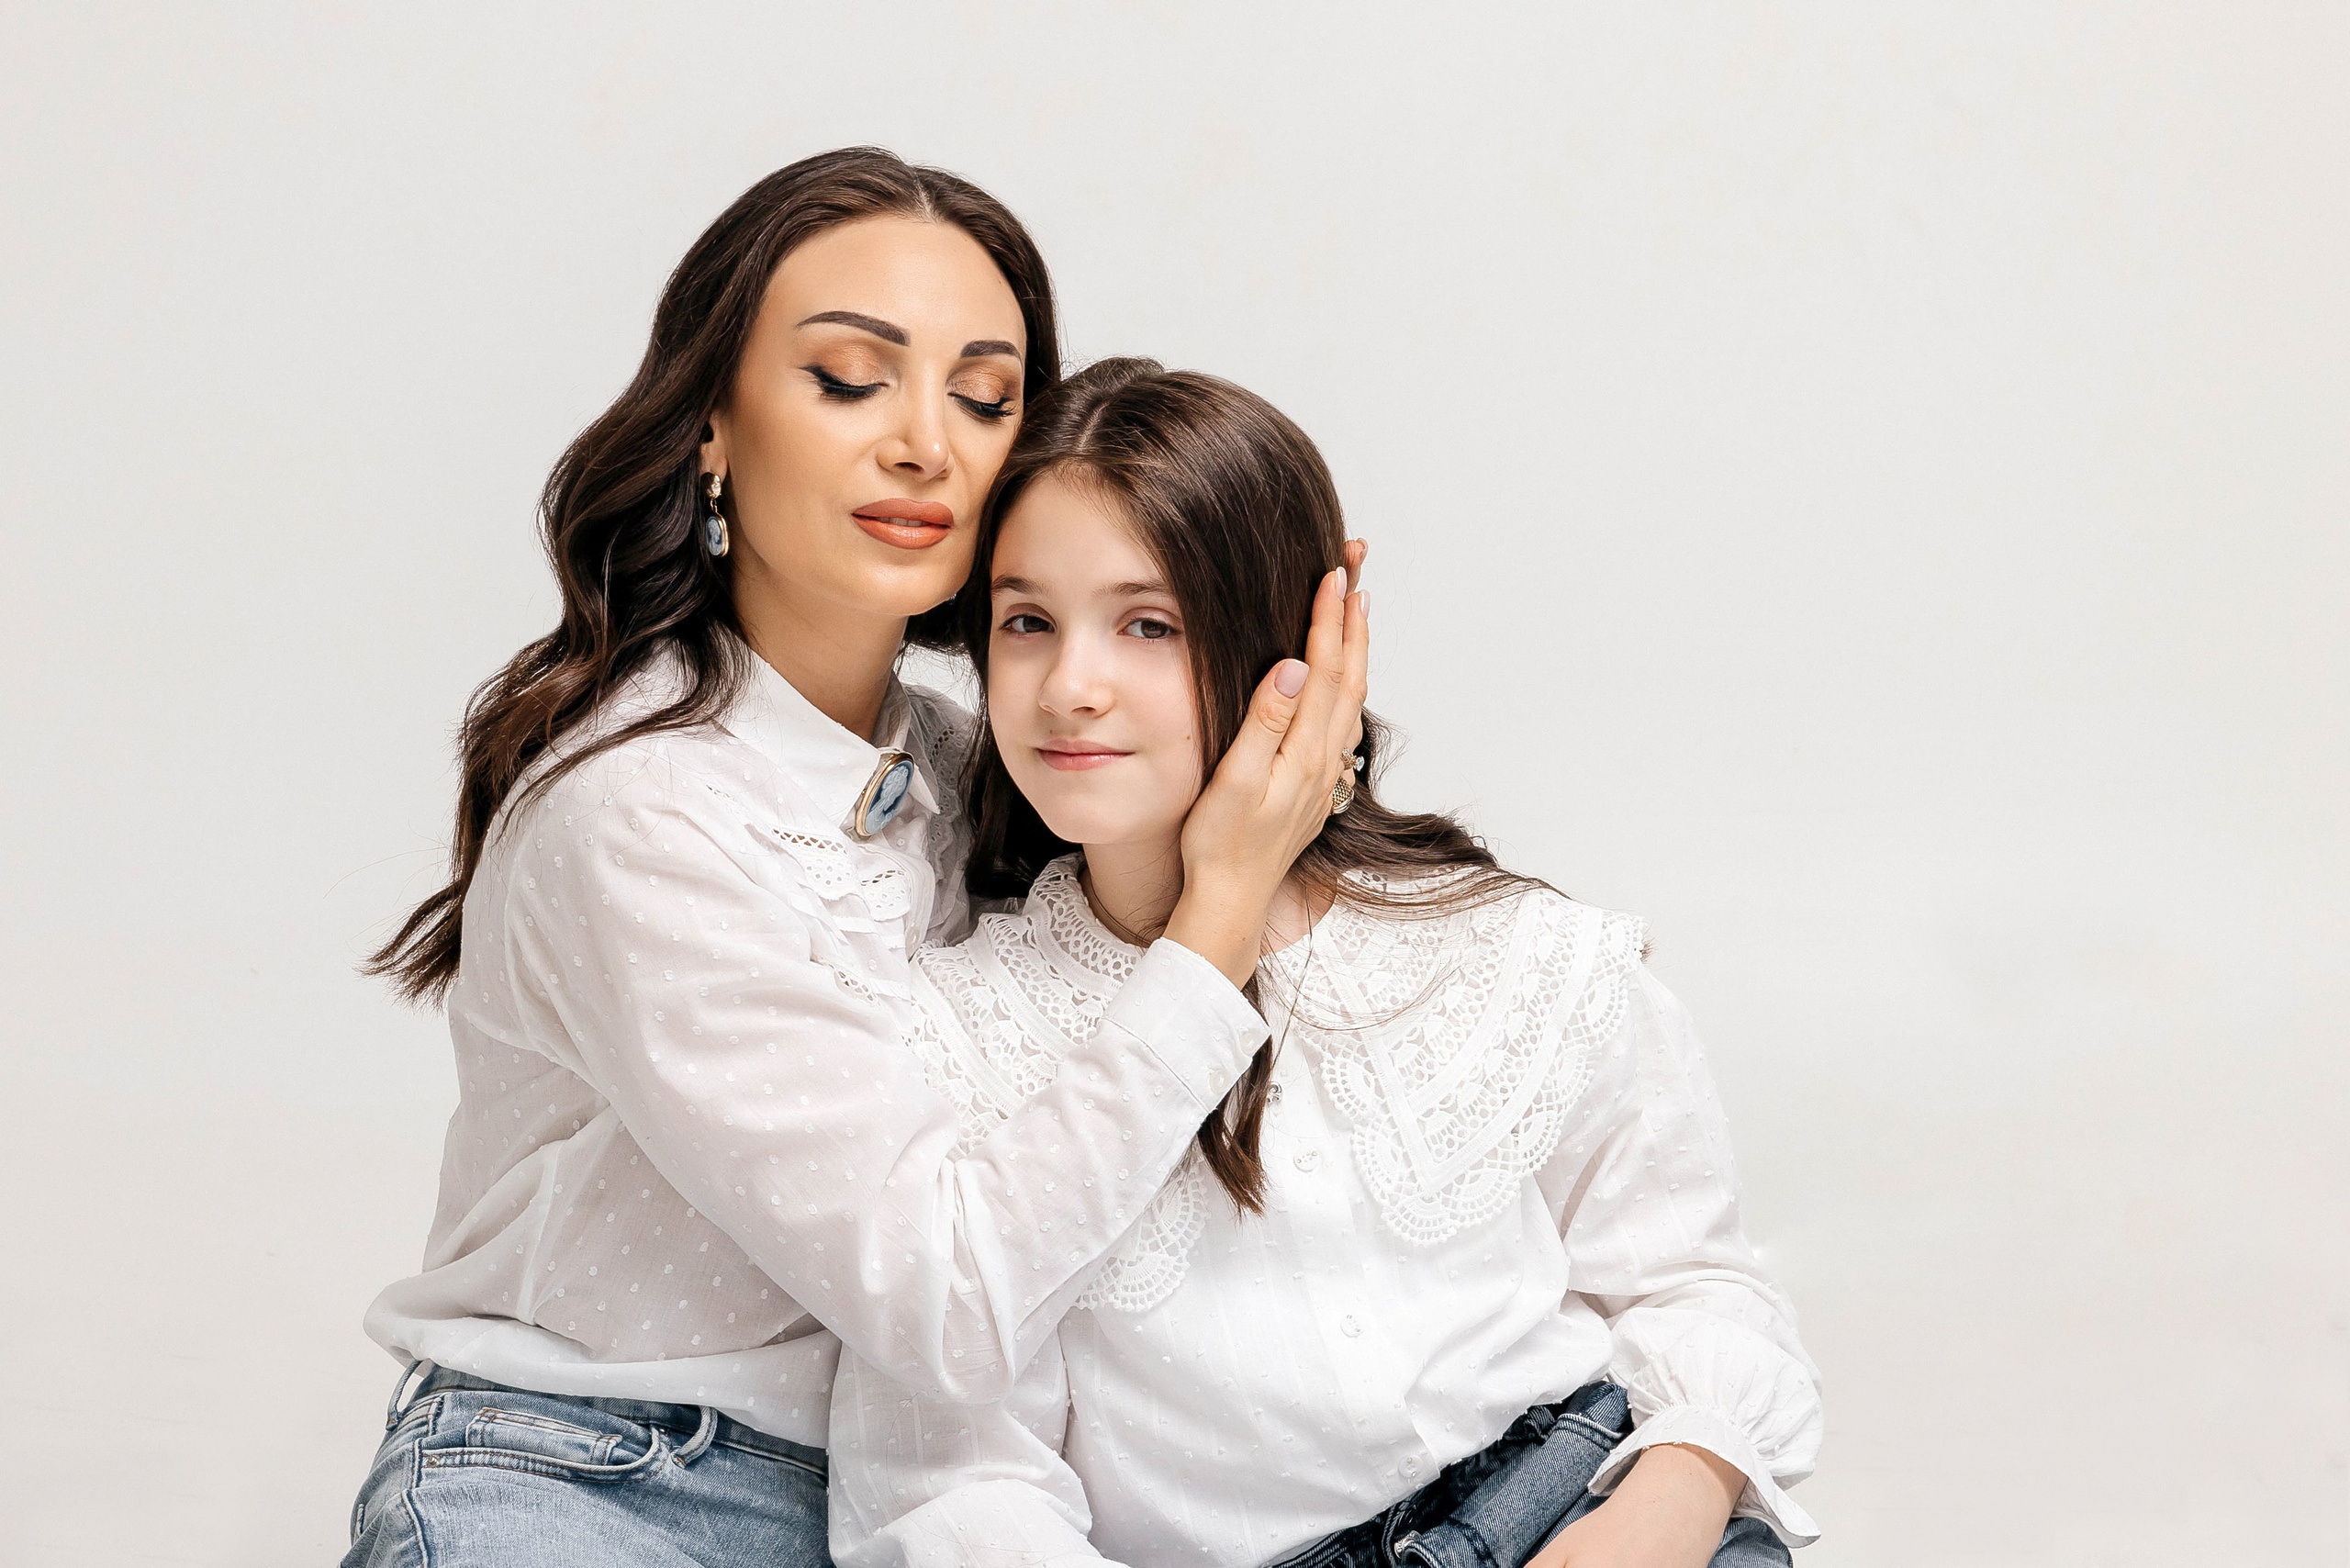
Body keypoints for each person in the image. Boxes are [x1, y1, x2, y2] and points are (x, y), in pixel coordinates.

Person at [342, 152, 1368, 1568]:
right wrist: (1225, 910)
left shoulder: (977, 768)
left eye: (986, 397)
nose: (925, 446)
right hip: (596, 1486)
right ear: (712, 428)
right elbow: (948, 1296)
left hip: (922, 1509)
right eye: (849, 379)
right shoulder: (638, 813)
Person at [827, 361, 1821, 1568]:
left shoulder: (1500, 951)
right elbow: (952, 1483)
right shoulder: (956, 1034)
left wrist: (1666, 1507)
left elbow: (1693, 1280)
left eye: (1151, 624)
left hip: (1580, 1499)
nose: (1070, 687)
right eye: (1027, 621)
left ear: (1302, 649)